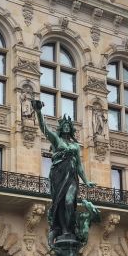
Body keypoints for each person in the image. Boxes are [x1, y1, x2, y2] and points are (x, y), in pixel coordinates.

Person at [31, 100, 95, 245]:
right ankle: (64, 229)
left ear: (71, 129)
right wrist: (39, 112)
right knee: (59, 203)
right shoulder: (56, 140)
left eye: (68, 126)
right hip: (58, 175)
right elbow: (44, 128)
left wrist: (86, 181)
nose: (66, 127)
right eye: (64, 125)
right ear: (61, 128)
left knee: (68, 201)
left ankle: (70, 228)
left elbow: (79, 165)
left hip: (71, 176)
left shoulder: (75, 146)